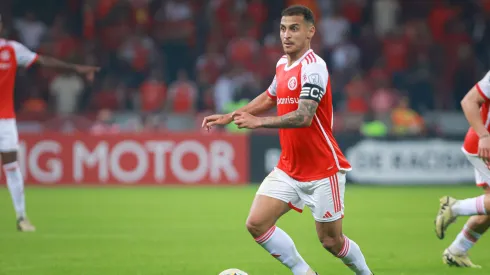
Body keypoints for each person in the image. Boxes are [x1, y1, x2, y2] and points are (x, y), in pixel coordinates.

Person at [202, 5, 373, 275]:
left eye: (294, 28)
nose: (287, 35)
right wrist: (233, 114)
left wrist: (258, 122)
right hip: (289, 168)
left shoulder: (315, 67)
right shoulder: (283, 64)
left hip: (321, 169)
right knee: (256, 223)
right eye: (283, 28)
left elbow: (304, 116)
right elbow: (270, 96)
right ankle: (304, 272)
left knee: (331, 241)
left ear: (310, 32)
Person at [0, 14, 99, 231]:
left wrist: (76, 69)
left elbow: (44, 61)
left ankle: (21, 217)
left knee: (11, 166)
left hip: (4, 120)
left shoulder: (12, 50)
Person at [435, 70, 490, 268]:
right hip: (484, 144)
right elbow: (468, 101)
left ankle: (457, 251)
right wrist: (484, 135)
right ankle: (454, 207)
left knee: (489, 206)